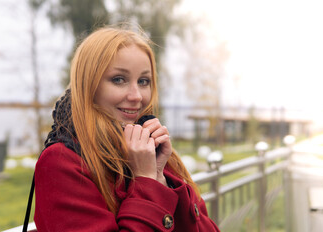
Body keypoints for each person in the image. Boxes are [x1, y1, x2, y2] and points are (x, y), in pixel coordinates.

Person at [34, 25, 220, 232]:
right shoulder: (62, 161)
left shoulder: (149, 149)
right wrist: (146, 181)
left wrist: (161, 179)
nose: (136, 96)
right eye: (119, 80)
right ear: (89, 85)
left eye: (143, 81)